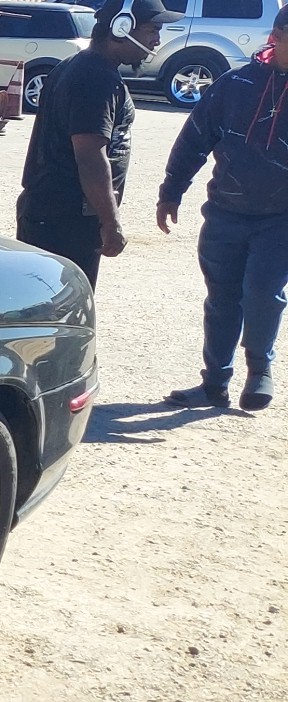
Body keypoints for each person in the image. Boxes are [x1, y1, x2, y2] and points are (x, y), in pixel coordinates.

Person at [153, 8, 288, 412]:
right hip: (225, 212)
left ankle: (259, 369)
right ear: (277, 36)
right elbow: (195, 137)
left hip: (280, 219)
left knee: (262, 291)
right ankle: (214, 383)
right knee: (222, 297)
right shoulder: (236, 83)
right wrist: (171, 191)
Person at [14, 0, 179, 286]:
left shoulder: (80, 66)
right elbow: (90, 157)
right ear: (121, 27)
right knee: (63, 306)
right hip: (66, 221)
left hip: (54, 215)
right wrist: (110, 222)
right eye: (153, 29)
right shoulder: (95, 79)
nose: (157, 40)